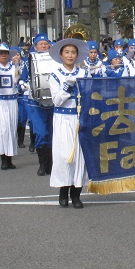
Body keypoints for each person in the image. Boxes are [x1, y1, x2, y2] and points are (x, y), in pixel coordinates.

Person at [48, 38, 90, 208]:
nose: (70, 55)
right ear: (61, 55)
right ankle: (63, 191)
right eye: (67, 52)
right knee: (65, 156)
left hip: (79, 119)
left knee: (80, 157)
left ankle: (76, 194)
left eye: (73, 52)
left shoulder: (84, 73)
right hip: (63, 118)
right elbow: (56, 101)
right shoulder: (55, 75)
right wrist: (67, 87)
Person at [19, 33, 54, 175]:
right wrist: (23, 84)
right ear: (35, 47)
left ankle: (51, 165)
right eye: (41, 44)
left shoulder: (55, 60)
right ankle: (42, 164)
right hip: (36, 101)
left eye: (46, 43)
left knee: (52, 134)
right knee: (40, 132)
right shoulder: (30, 60)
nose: (44, 46)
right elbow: (22, 78)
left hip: (52, 101)